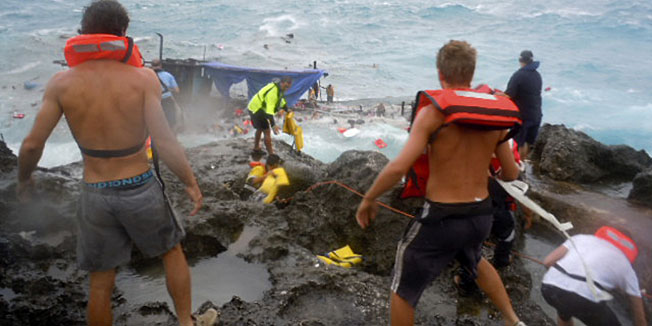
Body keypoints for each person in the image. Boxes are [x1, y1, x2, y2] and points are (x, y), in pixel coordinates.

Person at [16, 1, 214, 325]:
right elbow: (164, 141)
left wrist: (24, 180)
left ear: (83, 35)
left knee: (101, 282)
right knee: (171, 252)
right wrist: (191, 183)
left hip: (95, 192)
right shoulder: (143, 79)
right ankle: (186, 322)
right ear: (123, 34)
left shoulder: (61, 84)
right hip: (140, 186)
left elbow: (32, 144)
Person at [355, 40, 525, 326]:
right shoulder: (492, 119)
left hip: (442, 218)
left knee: (402, 289)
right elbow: (510, 174)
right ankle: (514, 321)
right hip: (481, 215)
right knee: (475, 259)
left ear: (440, 73)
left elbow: (399, 167)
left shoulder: (434, 113)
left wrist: (369, 198)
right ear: (471, 73)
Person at [541, 226, 647, 326]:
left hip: (549, 289)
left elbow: (547, 262)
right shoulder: (626, 265)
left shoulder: (580, 238)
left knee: (564, 310)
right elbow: (639, 314)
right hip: (583, 299)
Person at [503, 50, 542, 159]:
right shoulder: (537, 75)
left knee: (519, 144)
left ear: (520, 60)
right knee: (528, 143)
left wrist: (495, 95)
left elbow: (508, 95)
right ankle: (523, 165)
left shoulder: (518, 75)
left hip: (523, 116)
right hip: (536, 115)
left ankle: (518, 168)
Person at [247, 76, 292, 155]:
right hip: (256, 109)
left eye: (288, 87)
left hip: (259, 108)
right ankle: (271, 154)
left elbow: (281, 100)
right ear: (281, 83)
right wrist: (273, 125)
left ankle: (256, 148)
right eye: (286, 86)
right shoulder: (273, 92)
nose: (287, 89)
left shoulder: (279, 89)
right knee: (267, 131)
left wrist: (286, 109)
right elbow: (269, 112)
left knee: (260, 128)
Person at [151, 58, 181, 132]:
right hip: (167, 100)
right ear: (160, 65)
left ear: (151, 66)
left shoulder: (147, 76)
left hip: (153, 102)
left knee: (155, 122)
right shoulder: (168, 75)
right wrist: (169, 89)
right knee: (171, 120)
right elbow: (177, 90)